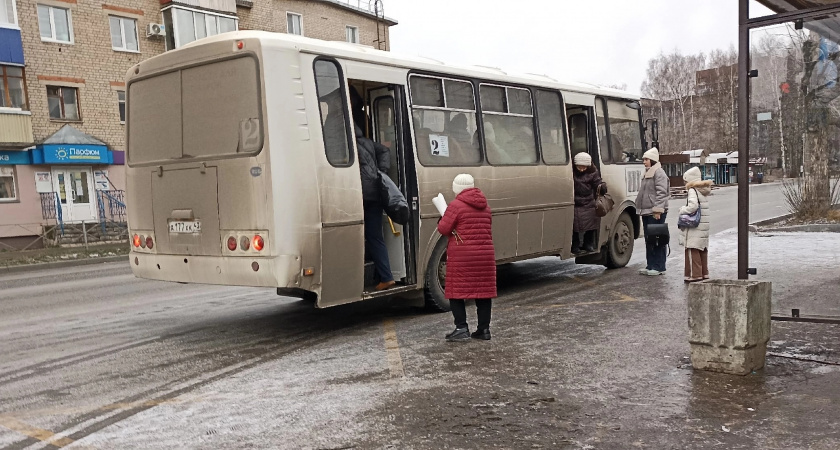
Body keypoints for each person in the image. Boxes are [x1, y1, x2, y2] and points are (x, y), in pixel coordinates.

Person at [437, 174, 497, 342]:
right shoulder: (485, 206)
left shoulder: (456, 205)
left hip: (463, 255)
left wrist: (442, 217)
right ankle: (484, 330)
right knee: (483, 293)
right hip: (485, 255)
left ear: (457, 188)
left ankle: (461, 328)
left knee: (456, 291)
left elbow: (444, 229)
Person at [355, 123, 395, 291]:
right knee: (375, 236)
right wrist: (382, 171)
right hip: (376, 192)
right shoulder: (368, 142)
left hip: (362, 193)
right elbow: (385, 150)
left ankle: (374, 276)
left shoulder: (347, 144)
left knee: (359, 235)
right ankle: (385, 276)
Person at [635, 147, 670, 276]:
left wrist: (657, 210)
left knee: (657, 239)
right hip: (647, 211)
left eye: (646, 159)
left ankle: (659, 266)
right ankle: (650, 265)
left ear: (653, 160)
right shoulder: (648, 172)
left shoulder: (659, 173)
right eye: (644, 159)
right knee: (650, 239)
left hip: (655, 212)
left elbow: (662, 193)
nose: (644, 162)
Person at [679, 167, 712, 282]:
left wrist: (683, 209)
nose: (684, 183)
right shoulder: (702, 190)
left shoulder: (692, 190)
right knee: (702, 249)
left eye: (685, 181)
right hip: (703, 224)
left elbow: (693, 206)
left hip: (695, 225)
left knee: (692, 248)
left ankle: (695, 274)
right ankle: (704, 273)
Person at [571, 152, 606, 254]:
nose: (581, 169)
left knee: (591, 225)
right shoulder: (571, 172)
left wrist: (602, 187)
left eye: (584, 167)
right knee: (575, 227)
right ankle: (575, 245)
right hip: (575, 202)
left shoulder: (593, 173)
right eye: (579, 167)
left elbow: (597, 183)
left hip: (588, 202)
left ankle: (588, 244)